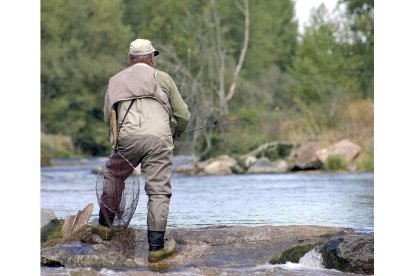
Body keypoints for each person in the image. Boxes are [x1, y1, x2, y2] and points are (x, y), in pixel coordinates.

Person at [92, 38, 191, 263]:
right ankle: (156, 248)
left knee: (114, 176)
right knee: (158, 191)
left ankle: (105, 226)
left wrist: (115, 142)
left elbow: (109, 116)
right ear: (151, 57)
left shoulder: (115, 81)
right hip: (159, 139)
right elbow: (183, 114)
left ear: (130, 58)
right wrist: (177, 132)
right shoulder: (162, 77)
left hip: (127, 138)